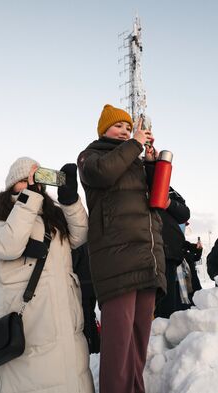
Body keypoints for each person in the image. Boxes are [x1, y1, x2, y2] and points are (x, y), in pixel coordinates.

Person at [0, 157, 94, 393]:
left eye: (36, 180)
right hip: (28, 321)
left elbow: (80, 236)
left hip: (63, 316)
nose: (33, 185)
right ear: (12, 184)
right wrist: (30, 198)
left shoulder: (52, 216)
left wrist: (70, 200)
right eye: (24, 181)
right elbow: (6, 246)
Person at [77, 104, 166, 393]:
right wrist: (134, 144)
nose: (126, 131)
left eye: (129, 128)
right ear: (104, 129)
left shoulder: (134, 160)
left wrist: (152, 163)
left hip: (146, 257)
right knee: (118, 342)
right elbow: (103, 174)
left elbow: (158, 200)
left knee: (139, 338)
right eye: (120, 127)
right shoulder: (91, 157)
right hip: (117, 260)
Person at [151, 186, 191, 319]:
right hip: (145, 250)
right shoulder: (134, 181)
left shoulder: (166, 186)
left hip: (169, 251)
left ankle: (167, 331)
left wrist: (169, 203)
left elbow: (185, 213)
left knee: (168, 299)